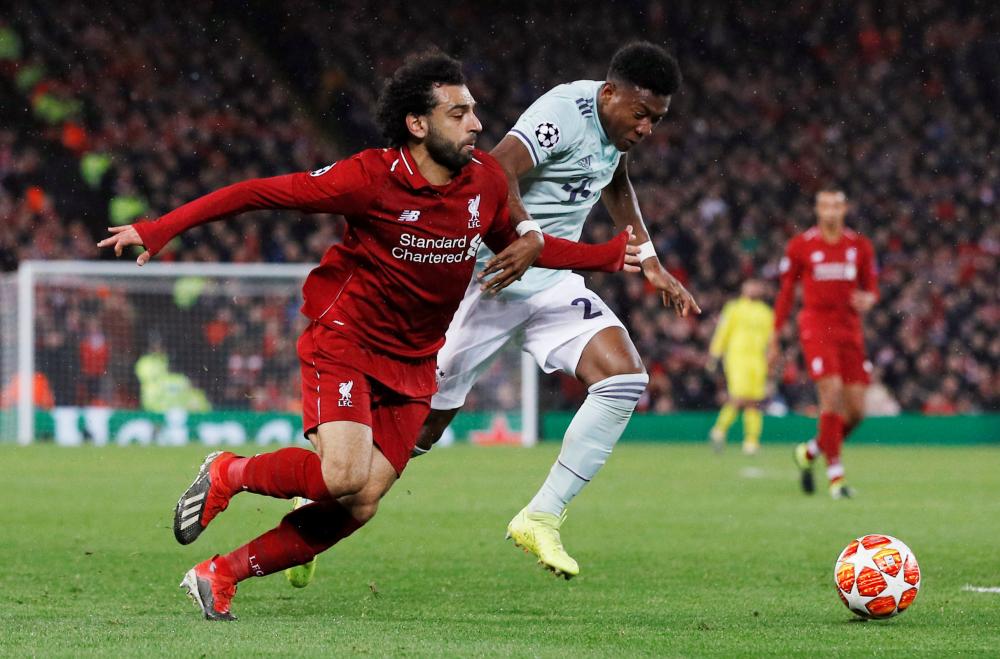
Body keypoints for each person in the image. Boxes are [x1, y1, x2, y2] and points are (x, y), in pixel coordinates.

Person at [98, 52, 633, 620]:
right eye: (459, 113)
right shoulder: (370, 178)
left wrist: (607, 256)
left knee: (361, 501)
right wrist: (160, 229)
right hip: (347, 339)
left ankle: (220, 573)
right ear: (417, 124)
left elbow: (525, 246)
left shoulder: (486, 183)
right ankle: (228, 471)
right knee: (343, 476)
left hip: (416, 361)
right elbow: (257, 193)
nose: (477, 124)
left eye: (474, 111)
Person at [412, 41, 700, 580]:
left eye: (656, 121)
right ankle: (322, 505)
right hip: (488, 277)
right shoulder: (563, 114)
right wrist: (522, 236)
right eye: (639, 115)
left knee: (624, 378)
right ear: (608, 93)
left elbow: (617, 181)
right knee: (423, 428)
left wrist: (650, 259)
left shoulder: (617, 132)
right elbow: (495, 170)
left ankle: (541, 514)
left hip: (549, 283)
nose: (645, 130)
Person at [768, 187, 878, 499]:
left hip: (850, 329)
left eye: (836, 205)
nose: (830, 211)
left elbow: (871, 288)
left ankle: (811, 451)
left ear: (845, 209)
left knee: (856, 412)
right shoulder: (801, 246)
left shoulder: (860, 246)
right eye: (824, 205)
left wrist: (869, 299)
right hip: (816, 326)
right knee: (830, 397)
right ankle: (836, 478)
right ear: (817, 210)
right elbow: (786, 293)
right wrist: (775, 336)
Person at [707, 279, 773, 455]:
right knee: (739, 397)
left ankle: (751, 441)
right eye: (750, 285)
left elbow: (771, 340)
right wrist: (715, 354)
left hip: (758, 360)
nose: (753, 288)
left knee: (755, 400)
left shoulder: (766, 313)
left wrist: (772, 359)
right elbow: (723, 331)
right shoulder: (733, 308)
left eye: (756, 285)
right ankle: (720, 429)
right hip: (737, 357)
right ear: (743, 288)